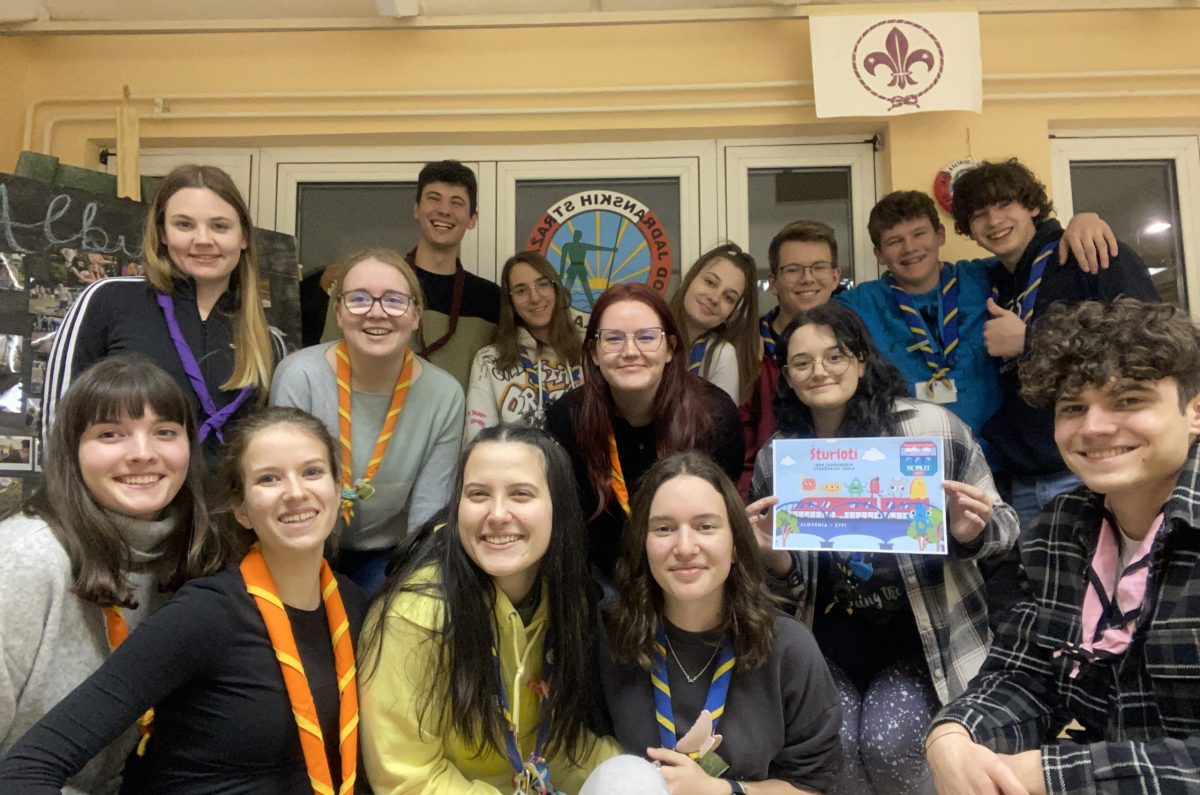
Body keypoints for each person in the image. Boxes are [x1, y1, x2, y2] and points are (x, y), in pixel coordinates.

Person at [0, 406, 368, 793]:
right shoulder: (204, 616)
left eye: (312, 472)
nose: (295, 492)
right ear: (242, 510)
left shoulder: (354, 605)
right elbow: (25, 770)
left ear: (337, 488)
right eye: (268, 479)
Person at [926, 299, 1200, 795]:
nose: (1093, 427)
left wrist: (1050, 774)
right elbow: (1024, 674)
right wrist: (954, 733)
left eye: (1128, 399)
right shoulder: (1058, 527)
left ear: (1194, 411)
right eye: (1073, 407)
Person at [749, 303, 1018, 795]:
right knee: (836, 746)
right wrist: (771, 558)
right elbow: (783, 589)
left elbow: (1006, 527)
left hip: (928, 639)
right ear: (786, 376)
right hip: (827, 644)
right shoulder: (780, 458)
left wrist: (968, 533)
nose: (819, 371)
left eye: (835, 356)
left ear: (861, 360)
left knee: (891, 743)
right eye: (802, 362)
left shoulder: (932, 430)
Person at [0, 355, 222, 795]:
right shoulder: (24, 561)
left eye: (164, 432)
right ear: (72, 451)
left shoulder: (179, 561)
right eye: (110, 434)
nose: (143, 453)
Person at [357, 425, 621, 793]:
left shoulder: (563, 595)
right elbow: (407, 780)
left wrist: (643, 773)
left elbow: (553, 751)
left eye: (520, 494)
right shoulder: (416, 617)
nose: (497, 514)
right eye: (478, 494)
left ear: (558, 507)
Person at [599, 451, 843, 794]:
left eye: (706, 527)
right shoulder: (607, 635)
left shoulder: (789, 648)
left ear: (736, 544)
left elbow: (812, 785)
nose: (685, 547)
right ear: (643, 543)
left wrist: (721, 790)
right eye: (665, 528)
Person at [950, 159, 1159, 531]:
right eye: (979, 215)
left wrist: (1029, 340)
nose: (994, 221)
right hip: (1023, 479)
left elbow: (1149, 344)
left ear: (1032, 206)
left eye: (1004, 205)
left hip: (1095, 464)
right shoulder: (994, 279)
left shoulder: (1090, 252)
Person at [42, 164, 283, 466]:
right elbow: (60, 421)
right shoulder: (108, 300)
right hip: (127, 493)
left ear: (244, 237)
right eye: (184, 225)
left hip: (224, 498)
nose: (203, 239)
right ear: (162, 233)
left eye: (220, 226)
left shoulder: (267, 342)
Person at [272, 249, 464, 594]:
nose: (376, 312)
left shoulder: (444, 395)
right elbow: (285, 492)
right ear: (338, 311)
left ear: (416, 315)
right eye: (359, 299)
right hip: (304, 538)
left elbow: (428, 516)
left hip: (388, 554)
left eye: (394, 300)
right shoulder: (299, 376)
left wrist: (416, 592)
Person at [545, 283, 743, 581]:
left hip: (690, 570)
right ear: (594, 353)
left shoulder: (714, 415)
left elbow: (718, 519)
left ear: (670, 349)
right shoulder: (567, 418)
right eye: (613, 339)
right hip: (601, 578)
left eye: (647, 337)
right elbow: (568, 527)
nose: (629, 351)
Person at [742, 221, 842, 495]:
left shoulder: (856, 346)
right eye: (794, 269)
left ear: (835, 277)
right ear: (773, 282)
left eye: (818, 267)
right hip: (766, 498)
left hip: (847, 490)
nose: (807, 278)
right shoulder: (747, 350)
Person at [465, 251, 583, 441]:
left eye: (543, 284)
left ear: (556, 289)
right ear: (510, 302)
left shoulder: (589, 353)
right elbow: (477, 441)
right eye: (521, 290)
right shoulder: (489, 360)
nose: (535, 298)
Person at [406, 159, 501, 390]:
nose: (444, 210)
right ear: (416, 208)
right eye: (433, 198)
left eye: (456, 202)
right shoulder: (376, 285)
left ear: (472, 219)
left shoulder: (492, 300)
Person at [667, 243, 760, 405]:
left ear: (731, 313)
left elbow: (723, 420)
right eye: (710, 282)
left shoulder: (722, 355)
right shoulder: (649, 333)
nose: (715, 298)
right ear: (690, 279)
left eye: (728, 298)